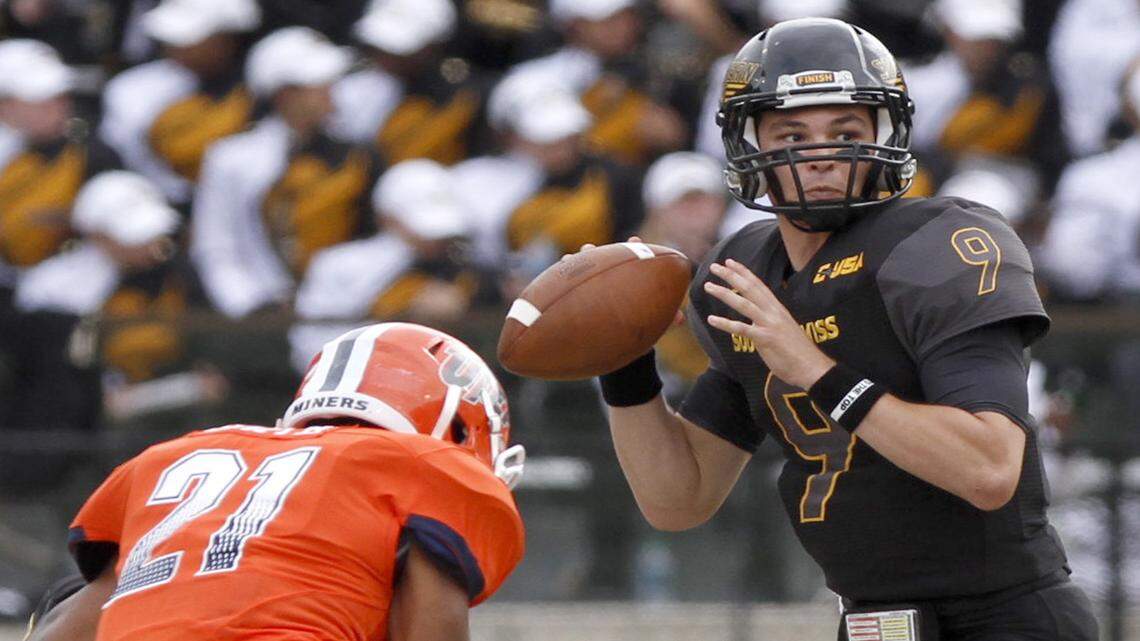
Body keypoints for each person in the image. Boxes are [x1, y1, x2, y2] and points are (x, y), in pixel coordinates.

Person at [587, 18, 1098, 640]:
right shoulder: (744, 269)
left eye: (845, 130)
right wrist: (624, 362)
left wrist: (817, 371)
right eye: (793, 133)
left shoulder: (937, 248)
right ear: (749, 144)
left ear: (886, 133)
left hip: (1003, 618)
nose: (821, 153)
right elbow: (679, 499)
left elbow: (990, 471)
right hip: (869, 623)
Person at [25, 322, 526, 641]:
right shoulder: (427, 464)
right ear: (459, 426)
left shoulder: (173, 453)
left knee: (68, 592)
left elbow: (75, 621)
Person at [190, 26, 381, 318]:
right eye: (316, 85)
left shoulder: (358, 155)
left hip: (342, 312)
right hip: (258, 314)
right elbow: (216, 247)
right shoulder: (230, 158)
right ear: (283, 95)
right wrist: (251, 307)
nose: (329, 92)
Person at [99, 0, 260, 207]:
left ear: (227, 39)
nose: (175, 48)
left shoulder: (265, 94)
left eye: (189, 40)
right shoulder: (133, 89)